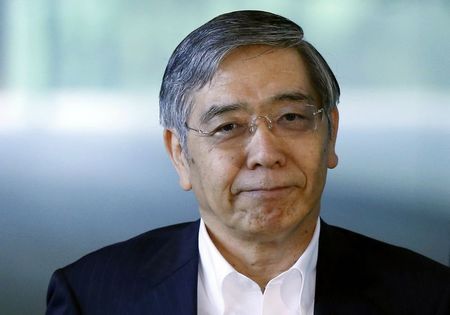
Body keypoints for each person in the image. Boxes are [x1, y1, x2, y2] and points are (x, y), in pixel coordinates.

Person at [46, 10, 449, 315]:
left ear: (331, 134)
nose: (265, 153)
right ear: (179, 155)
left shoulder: (429, 296)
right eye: (228, 126)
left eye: (292, 118)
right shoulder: (92, 296)